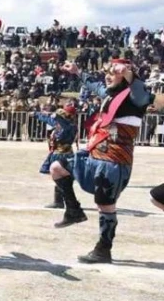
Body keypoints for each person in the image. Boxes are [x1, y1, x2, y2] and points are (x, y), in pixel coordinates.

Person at [53, 59, 152, 263]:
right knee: (57, 168)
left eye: (113, 72)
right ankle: (73, 211)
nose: (107, 75)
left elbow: (141, 91)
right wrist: (77, 71)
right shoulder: (110, 94)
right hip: (94, 155)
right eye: (106, 71)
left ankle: (103, 249)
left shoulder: (136, 98)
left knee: (105, 206)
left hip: (114, 161)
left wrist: (129, 74)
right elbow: (94, 85)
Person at [35, 102, 79, 212]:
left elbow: (63, 124)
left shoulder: (70, 126)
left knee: (63, 178)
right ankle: (60, 201)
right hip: (57, 153)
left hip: (63, 154)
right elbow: (49, 120)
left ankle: (62, 201)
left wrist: (57, 117)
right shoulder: (60, 123)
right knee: (59, 178)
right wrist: (36, 114)